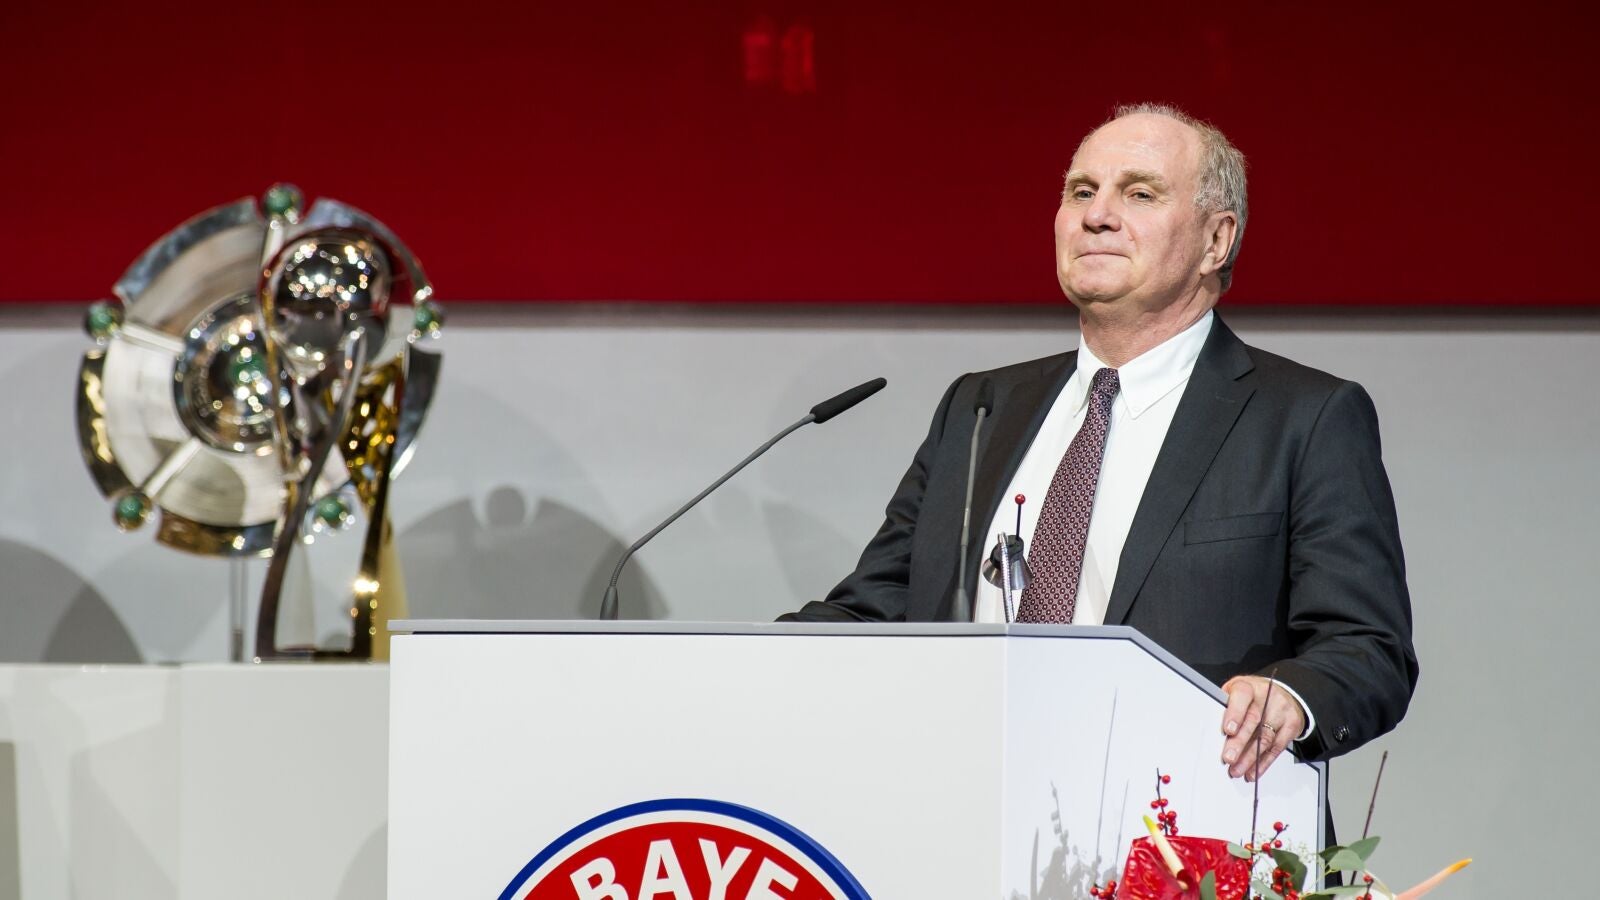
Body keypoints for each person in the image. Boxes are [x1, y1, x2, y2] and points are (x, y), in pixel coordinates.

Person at [781, 103, 1418, 780]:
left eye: (1140, 194)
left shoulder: (1305, 417)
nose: (1098, 216)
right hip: (971, 797)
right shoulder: (982, 406)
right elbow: (878, 607)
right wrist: (742, 660)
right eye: (1081, 191)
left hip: (1182, 812)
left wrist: (1290, 697)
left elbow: (1367, 648)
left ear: (1216, 240)